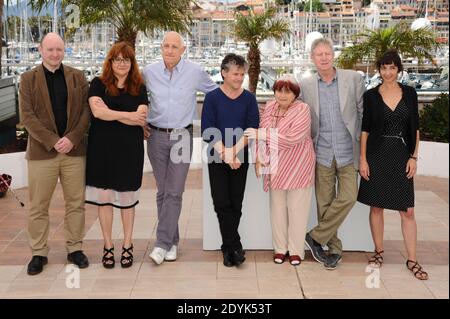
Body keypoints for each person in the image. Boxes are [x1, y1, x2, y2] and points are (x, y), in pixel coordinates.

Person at [143, 31, 218, 265]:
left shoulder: (195, 72)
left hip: (182, 137)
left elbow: (216, 94)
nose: (169, 50)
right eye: (166, 45)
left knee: (174, 191)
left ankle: (162, 243)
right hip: (155, 137)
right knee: (164, 192)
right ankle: (172, 241)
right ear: (161, 48)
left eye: (175, 46)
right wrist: (140, 120)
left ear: (183, 49)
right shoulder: (148, 72)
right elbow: (132, 96)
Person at [19, 32, 90, 275]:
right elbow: (27, 116)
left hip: (74, 151)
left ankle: (75, 248)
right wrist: (53, 141)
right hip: (42, 153)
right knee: (38, 206)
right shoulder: (27, 79)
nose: (55, 54)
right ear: (40, 50)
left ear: (64, 50)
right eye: (50, 49)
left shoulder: (77, 77)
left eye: (59, 49)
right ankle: (38, 252)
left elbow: (85, 112)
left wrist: (72, 138)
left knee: (76, 204)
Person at [357, 50, 428, 280]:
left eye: (392, 68)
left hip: (401, 155)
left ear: (398, 69)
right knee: (376, 207)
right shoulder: (370, 96)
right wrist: (363, 159)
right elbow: (365, 129)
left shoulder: (409, 93)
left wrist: (414, 157)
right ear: (379, 70)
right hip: (376, 154)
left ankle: (413, 259)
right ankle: (379, 252)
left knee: (407, 210)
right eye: (384, 68)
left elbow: (415, 128)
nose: (388, 72)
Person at [298, 38, 365, 270]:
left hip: (348, 152)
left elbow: (362, 112)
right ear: (313, 58)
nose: (324, 58)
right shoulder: (306, 85)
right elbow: (297, 112)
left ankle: (315, 236)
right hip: (322, 152)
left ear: (333, 55)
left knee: (349, 196)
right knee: (324, 204)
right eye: (319, 54)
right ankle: (333, 250)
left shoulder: (353, 79)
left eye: (327, 53)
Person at [85, 42, 148, 269]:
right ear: (110, 62)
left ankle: (128, 245)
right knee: (104, 201)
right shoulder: (97, 84)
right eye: (117, 59)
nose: (122, 64)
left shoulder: (139, 87)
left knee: (127, 201)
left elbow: (141, 118)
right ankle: (108, 246)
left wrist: (110, 114)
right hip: (101, 151)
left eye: (126, 60)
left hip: (129, 152)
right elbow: (96, 112)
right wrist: (127, 115)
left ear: (132, 63)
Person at [244, 75, 315, 266]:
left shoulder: (302, 109)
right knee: (277, 210)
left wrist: (262, 134)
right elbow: (258, 133)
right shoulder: (269, 107)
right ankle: (280, 249)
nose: (282, 95)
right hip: (274, 167)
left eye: (287, 91)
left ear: (295, 94)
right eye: (279, 90)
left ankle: (296, 250)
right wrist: (258, 156)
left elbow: (293, 138)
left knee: (297, 210)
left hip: (299, 166)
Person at [201, 53, 259, 267]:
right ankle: (234, 246)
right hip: (217, 156)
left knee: (236, 203)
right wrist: (225, 153)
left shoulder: (249, 98)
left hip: (240, 155)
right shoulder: (212, 97)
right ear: (224, 73)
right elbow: (208, 128)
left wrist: (233, 152)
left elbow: (252, 128)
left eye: (242, 74)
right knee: (221, 203)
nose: (239, 78)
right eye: (235, 73)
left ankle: (229, 248)